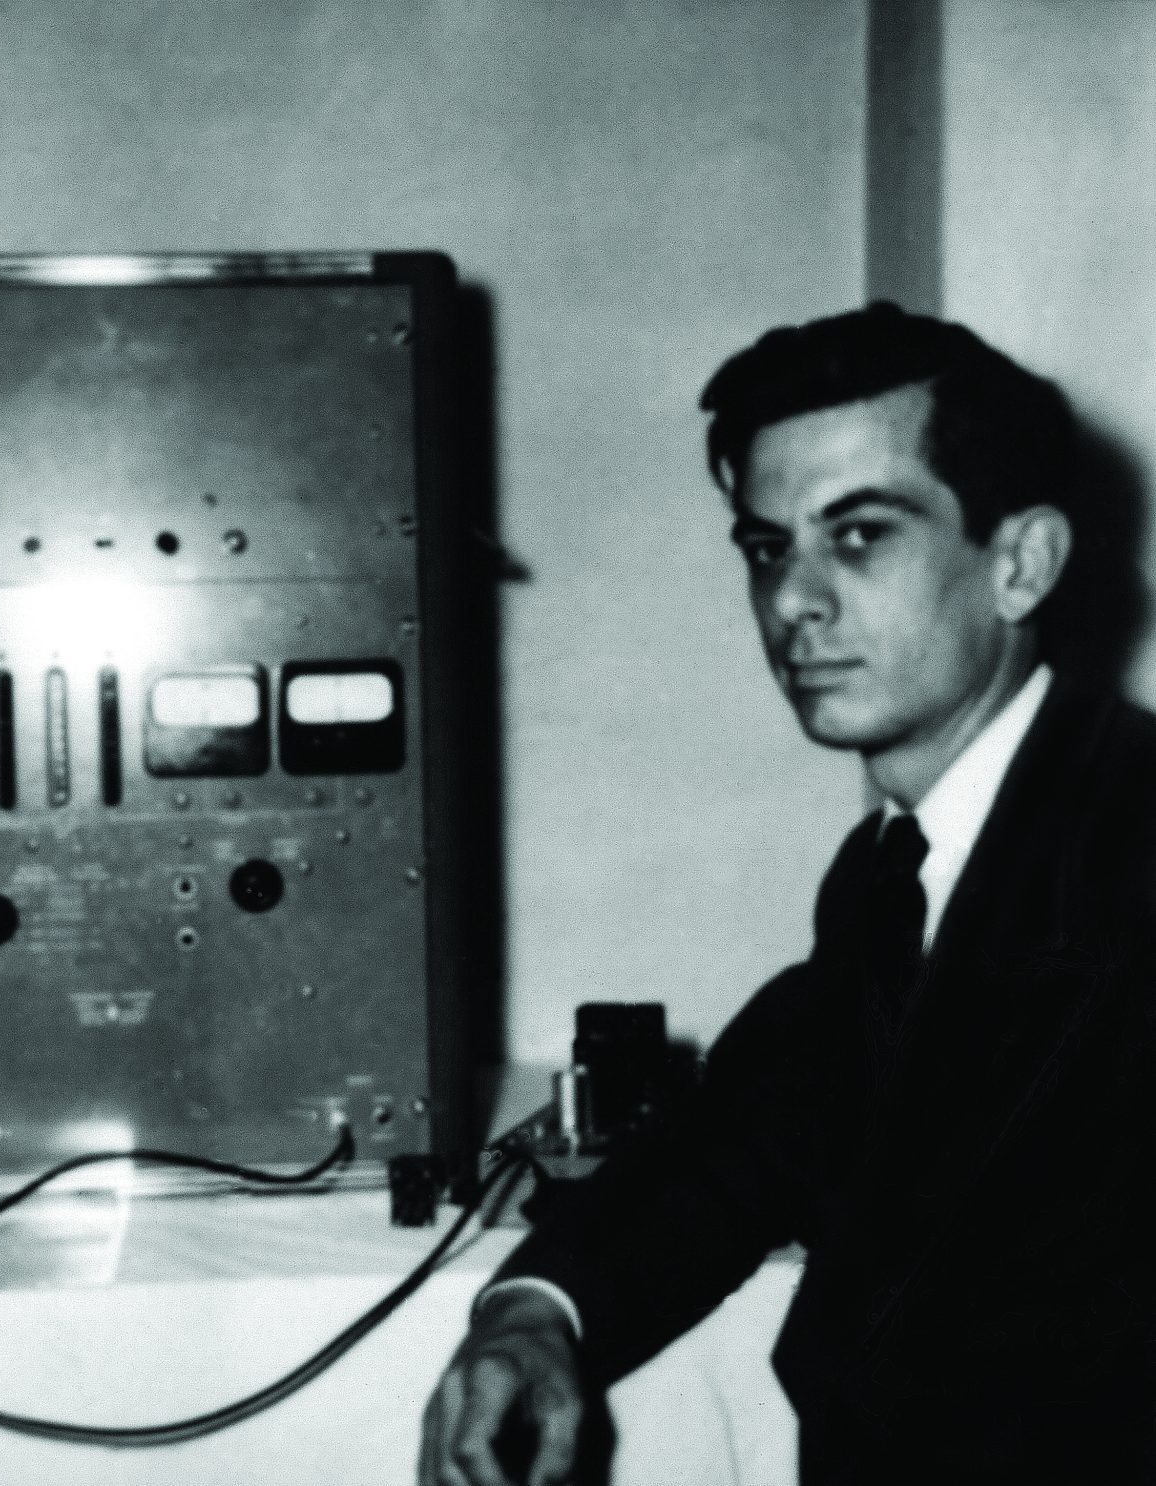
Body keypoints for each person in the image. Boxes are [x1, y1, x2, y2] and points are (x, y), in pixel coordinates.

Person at [417, 303, 1156, 1486]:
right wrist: (536, 1309)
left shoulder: (1131, 851)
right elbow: (754, 1127)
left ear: (1021, 562)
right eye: (768, 547)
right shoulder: (893, 870)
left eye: (859, 536)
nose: (792, 601)